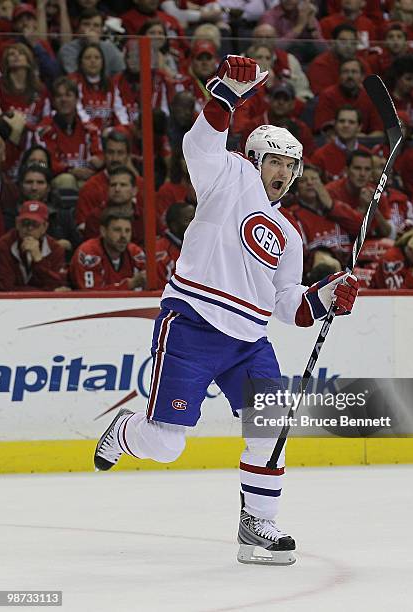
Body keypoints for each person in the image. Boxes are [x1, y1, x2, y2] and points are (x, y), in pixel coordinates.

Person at [93, 55, 359, 565]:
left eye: (290, 166)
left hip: (248, 342)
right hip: (192, 323)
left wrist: (327, 297)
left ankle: (258, 525)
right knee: (167, 446)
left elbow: (287, 306)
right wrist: (226, 97)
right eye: (273, 161)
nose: (281, 173)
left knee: (271, 425)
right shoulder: (227, 176)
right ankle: (126, 432)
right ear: (254, 159)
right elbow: (199, 143)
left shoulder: (291, 235)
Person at [35, 76, 103, 181]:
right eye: (59, 96)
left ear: (77, 99)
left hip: (87, 177)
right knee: (67, 180)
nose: (64, 100)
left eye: (68, 95)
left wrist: (98, 160)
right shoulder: (44, 130)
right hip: (55, 180)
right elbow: (44, 164)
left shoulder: (89, 129)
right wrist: (70, 170)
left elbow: (99, 154)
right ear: (53, 101)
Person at [70, 206, 146, 290]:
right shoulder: (88, 253)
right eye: (117, 230)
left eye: (127, 230)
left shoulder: (135, 253)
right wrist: (129, 285)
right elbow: (91, 295)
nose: (123, 235)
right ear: (103, 231)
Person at [0, 199, 68, 291]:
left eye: (35, 224)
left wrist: (38, 259)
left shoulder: (55, 249)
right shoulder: (3, 245)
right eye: (25, 223)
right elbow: (5, 288)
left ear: (44, 227)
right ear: (17, 224)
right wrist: (43, 292)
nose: (29, 228)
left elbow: (58, 285)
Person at [69, 42, 129, 132]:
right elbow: (77, 112)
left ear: (103, 62)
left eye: (97, 58)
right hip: (83, 132)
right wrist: (95, 131)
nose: (93, 61)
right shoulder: (74, 81)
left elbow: (120, 111)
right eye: (88, 58)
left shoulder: (110, 84)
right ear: (80, 62)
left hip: (108, 134)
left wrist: (122, 128)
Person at [314, 58, 383, 135]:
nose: (350, 76)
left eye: (354, 72)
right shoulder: (327, 96)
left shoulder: (371, 97)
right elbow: (326, 131)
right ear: (339, 76)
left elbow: (378, 131)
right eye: (345, 72)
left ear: (362, 76)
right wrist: (353, 137)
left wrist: (364, 139)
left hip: (365, 143)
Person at [58, 9, 125, 77]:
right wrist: (92, 45)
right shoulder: (68, 50)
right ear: (78, 28)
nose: (91, 28)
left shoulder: (110, 47)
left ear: (101, 31)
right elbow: (76, 77)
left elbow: (120, 73)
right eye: (86, 24)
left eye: (96, 25)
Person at [311, 105, 369, 181]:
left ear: (359, 127)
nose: (346, 125)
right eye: (342, 121)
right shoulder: (319, 156)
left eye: (351, 122)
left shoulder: (368, 155)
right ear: (335, 124)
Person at [156, 201, 195, 286]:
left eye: (195, 220)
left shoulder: (198, 245)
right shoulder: (161, 250)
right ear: (174, 226)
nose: (195, 225)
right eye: (190, 220)